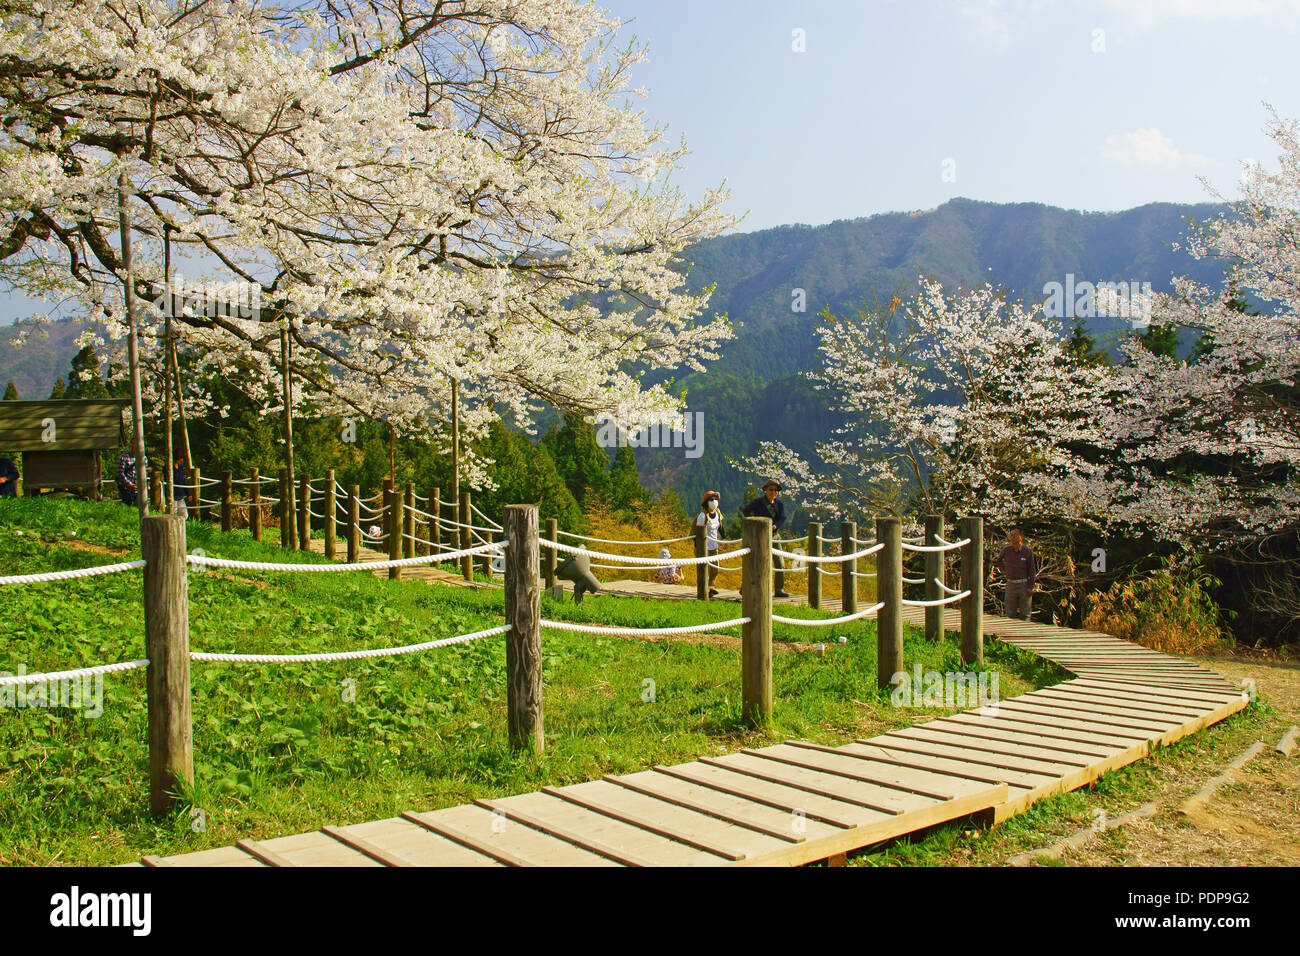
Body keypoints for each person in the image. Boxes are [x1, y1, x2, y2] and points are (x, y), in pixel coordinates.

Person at [743, 480, 790, 598]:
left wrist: (776, 526)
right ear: (765, 490)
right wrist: (756, 523)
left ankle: (779, 589)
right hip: (760, 536)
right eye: (771, 490)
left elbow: (782, 517)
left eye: (776, 490)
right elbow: (746, 512)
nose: (773, 492)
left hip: (774, 536)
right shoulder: (758, 502)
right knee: (756, 563)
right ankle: (745, 588)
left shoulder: (779, 503)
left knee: (780, 563)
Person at [997, 527, 1036, 620]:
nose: (1012, 537)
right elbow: (998, 561)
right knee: (1010, 612)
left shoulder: (1027, 551)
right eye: (1011, 535)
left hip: (1023, 584)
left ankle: (1025, 632)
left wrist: (1030, 586)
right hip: (1011, 583)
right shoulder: (1007, 550)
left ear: (1021, 537)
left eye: (1015, 535)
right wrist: (1005, 569)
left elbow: (1032, 570)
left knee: (1025, 613)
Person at [695, 490, 723, 598]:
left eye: (716, 499)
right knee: (704, 569)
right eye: (711, 500)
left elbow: (720, 527)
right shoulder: (703, 516)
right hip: (704, 546)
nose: (714, 502)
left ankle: (711, 586)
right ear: (706, 502)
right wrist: (696, 547)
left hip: (714, 545)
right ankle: (704, 589)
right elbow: (698, 532)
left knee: (715, 568)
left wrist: (724, 539)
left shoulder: (718, 513)